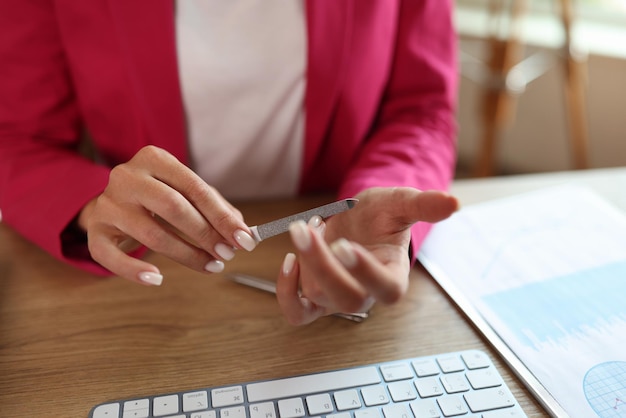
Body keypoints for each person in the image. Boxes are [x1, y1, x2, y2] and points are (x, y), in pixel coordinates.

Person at [0, 1, 459, 325]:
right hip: (140, 292)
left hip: (326, 257)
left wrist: (377, 203)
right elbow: (17, 138)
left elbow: (421, 108)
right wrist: (92, 204)